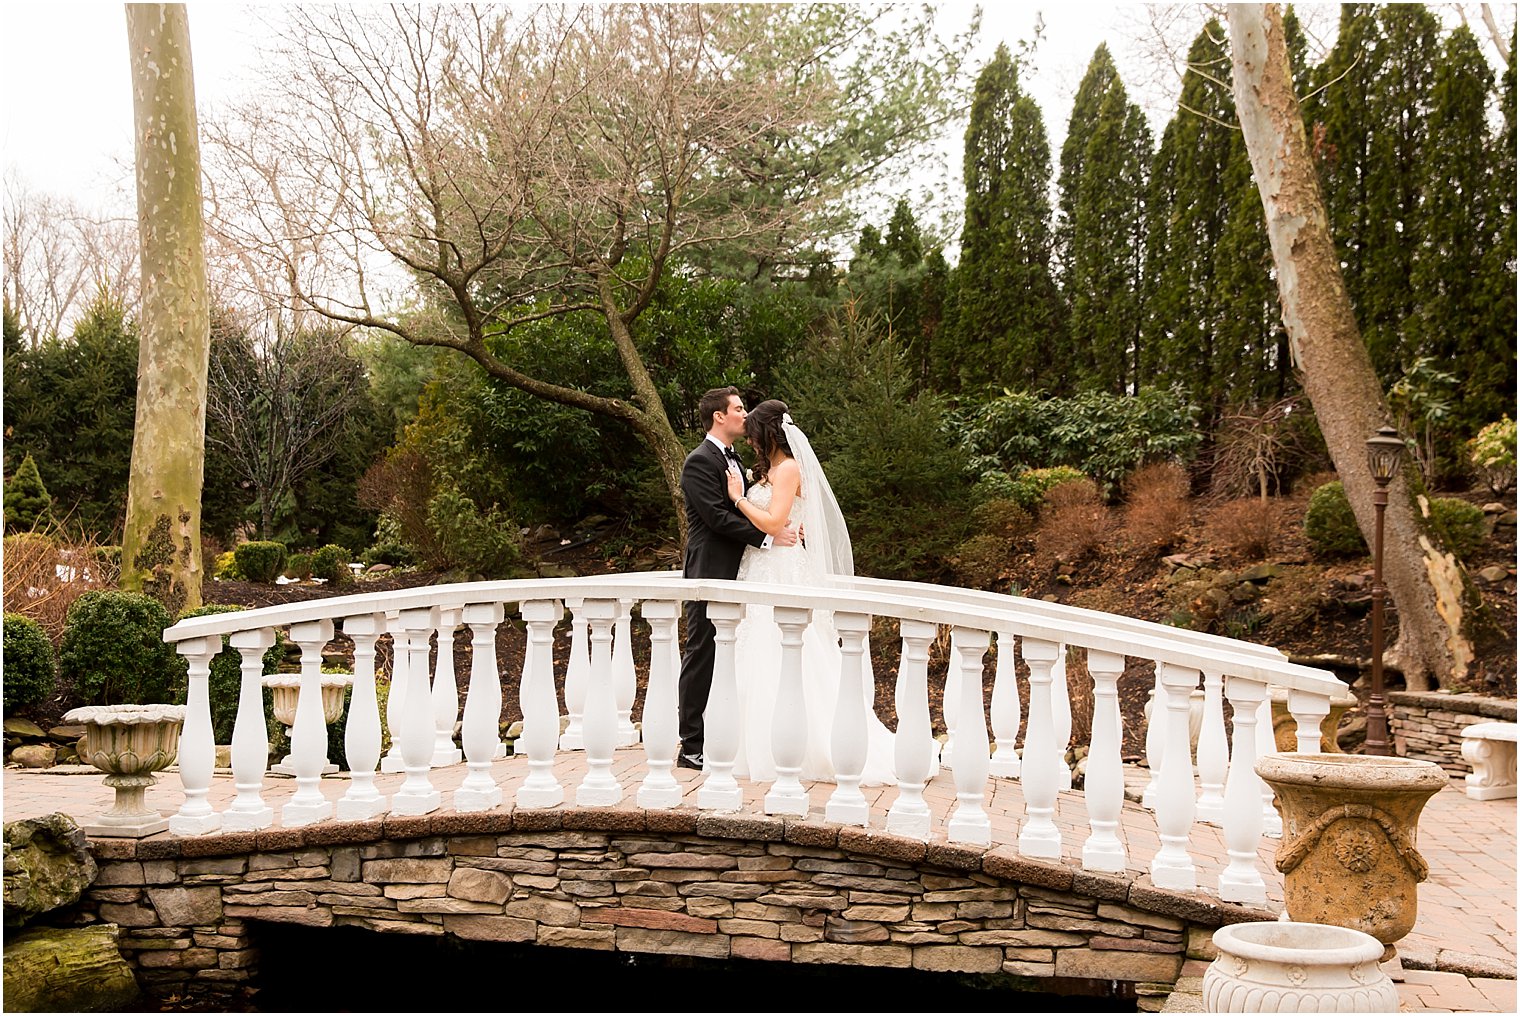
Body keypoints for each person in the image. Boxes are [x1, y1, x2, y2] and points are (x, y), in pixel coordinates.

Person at [722, 399, 898, 785]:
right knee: (754, 651)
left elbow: (773, 521)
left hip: (782, 571)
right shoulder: (771, 472)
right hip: (760, 569)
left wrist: (737, 498)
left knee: (787, 651)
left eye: (753, 435)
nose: (750, 442)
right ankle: (749, 746)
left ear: (768, 433)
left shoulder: (788, 469)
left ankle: (803, 748)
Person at [676, 387, 798, 771]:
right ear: (718, 416)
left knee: (736, 653)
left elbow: (763, 507)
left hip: (746, 569)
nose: (745, 415)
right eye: (739, 409)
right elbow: (715, 517)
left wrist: (784, 529)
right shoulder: (699, 461)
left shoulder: (738, 459)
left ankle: (725, 734)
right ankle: (692, 744)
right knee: (702, 650)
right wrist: (768, 536)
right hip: (710, 567)